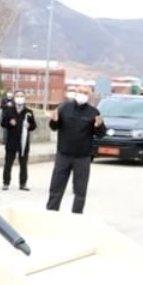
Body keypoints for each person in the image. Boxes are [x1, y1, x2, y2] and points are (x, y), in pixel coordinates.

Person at [46, 85, 105, 213]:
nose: (82, 95)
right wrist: (54, 120)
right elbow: (54, 127)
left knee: (80, 190)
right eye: (80, 92)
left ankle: (77, 215)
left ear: (89, 96)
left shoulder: (93, 112)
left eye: (85, 93)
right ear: (75, 93)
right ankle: (51, 212)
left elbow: (101, 134)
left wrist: (98, 126)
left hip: (82, 157)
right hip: (63, 154)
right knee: (56, 186)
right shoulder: (64, 108)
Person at [1, 90, 37, 191]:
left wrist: (29, 126)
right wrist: (9, 123)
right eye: (17, 96)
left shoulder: (28, 112)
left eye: (21, 96)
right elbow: (3, 123)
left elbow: (34, 126)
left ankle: (23, 183)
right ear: (14, 98)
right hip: (12, 141)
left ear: (24, 98)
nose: (20, 98)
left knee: (23, 164)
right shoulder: (9, 111)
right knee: (8, 163)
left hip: (24, 142)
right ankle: (6, 182)